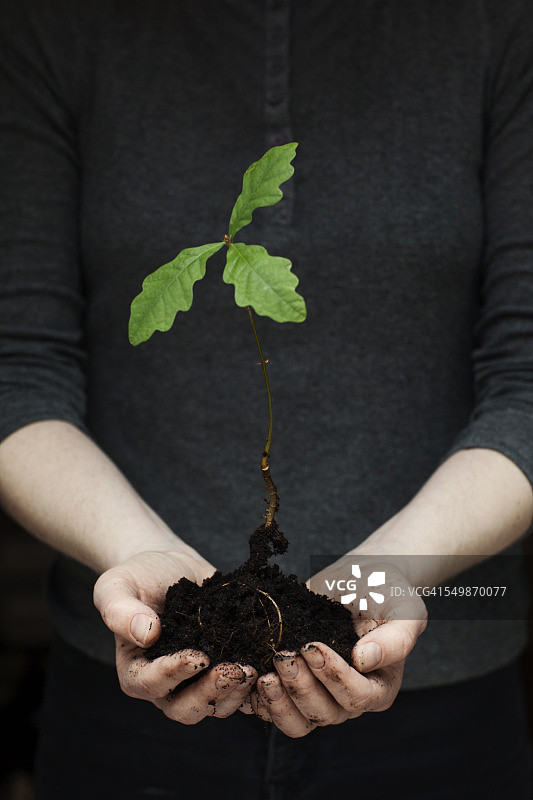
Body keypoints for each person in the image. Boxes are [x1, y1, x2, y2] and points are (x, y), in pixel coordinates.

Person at [0, 0, 532, 797]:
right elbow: (18, 370)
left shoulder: (498, 23)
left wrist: (385, 575)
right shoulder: (53, 26)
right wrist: (135, 557)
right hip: (129, 717)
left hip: (444, 705)